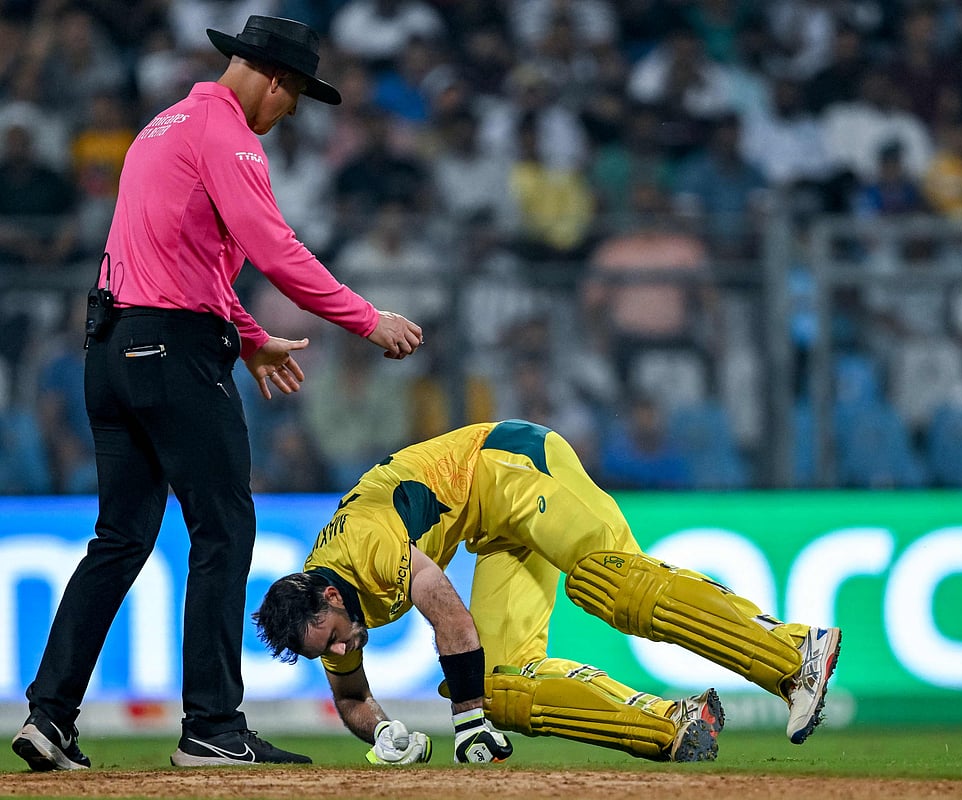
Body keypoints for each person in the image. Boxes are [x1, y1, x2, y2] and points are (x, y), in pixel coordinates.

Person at [11, 15, 424, 772]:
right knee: (225, 528)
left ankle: (49, 716)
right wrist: (368, 319)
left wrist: (248, 334)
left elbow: (187, 259)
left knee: (121, 537)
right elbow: (274, 247)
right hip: (173, 353)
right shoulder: (229, 136)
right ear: (276, 78)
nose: (289, 113)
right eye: (294, 96)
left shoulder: (164, 127)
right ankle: (211, 725)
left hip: (111, 349)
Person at [254, 419, 841, 764]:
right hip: (494, 526)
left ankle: (794, 653)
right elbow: (353, 697)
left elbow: (450, 614)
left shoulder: (365, 550)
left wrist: (465, 724)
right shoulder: (323, 607)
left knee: (607, 581)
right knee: (498, 685)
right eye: (324, 653)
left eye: (332, 642)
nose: (340, 653)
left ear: (329, 600)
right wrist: (383, 732)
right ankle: (674, 725)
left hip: (513, 465)